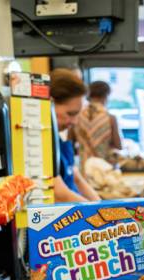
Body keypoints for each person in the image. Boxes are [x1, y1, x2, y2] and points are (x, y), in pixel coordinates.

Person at [50, 68, 101, 202]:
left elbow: (76, 178)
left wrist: (103, 206)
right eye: (70, 114)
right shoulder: (39, 144)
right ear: (49, 104)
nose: (75, 121)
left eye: (77, 114)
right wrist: (98, 212)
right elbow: (59, 193)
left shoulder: (59, 140)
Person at [70, 80, 122, 167]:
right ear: (106, 96)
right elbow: (118, 145)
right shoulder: (110, 118)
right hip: (104, 167)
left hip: (84, 167)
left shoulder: (77, 116)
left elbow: (70, 143)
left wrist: (84, 148)